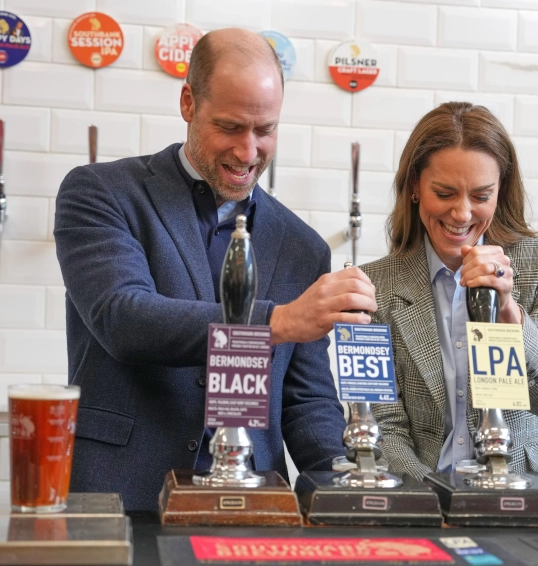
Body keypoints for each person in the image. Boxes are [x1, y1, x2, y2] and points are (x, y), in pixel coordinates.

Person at [54, 28, 376, 511]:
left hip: (253, 504)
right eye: (229, 127)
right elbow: (123, 318)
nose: (247, 152)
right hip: (120, 497)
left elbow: (305, 402)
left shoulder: (303, 246)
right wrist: (277, 322)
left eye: (265, 130)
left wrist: (348, 489)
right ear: (188, 103)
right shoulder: (102, 193)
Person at [360, 102, 538, 513]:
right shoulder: (376, 286)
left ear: (500, 190)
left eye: (481, 195)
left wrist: (508, 310)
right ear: (414, 186)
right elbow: (387, 428)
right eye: (444, 193)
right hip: (427, 497)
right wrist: (436, 501)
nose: (462, 213)